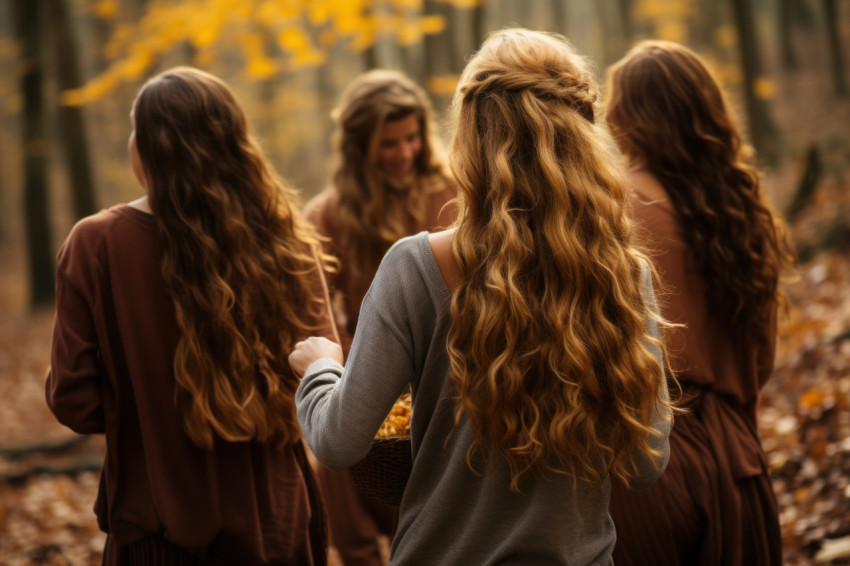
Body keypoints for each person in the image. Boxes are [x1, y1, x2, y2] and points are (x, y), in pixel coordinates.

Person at [289, 29, 674, 565]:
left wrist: (321, 369)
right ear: (581, 135)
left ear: (470, 136)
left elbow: (337, 442)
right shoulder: (622, 274)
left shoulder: (414, 265)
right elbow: (645, 464)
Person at [46, 67, 338, 565]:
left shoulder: (96, 245)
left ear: (149, 147)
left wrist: (147, 406)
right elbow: (324, 378)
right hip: (275, 522)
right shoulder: (286, 243)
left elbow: (74, 402)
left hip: (158, 524)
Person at [604, 40, 794, 566]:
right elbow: (761, 361)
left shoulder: (613, 207)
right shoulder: (741, 212)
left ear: (626, 119)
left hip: (645, 459)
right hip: (738, 462)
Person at [302, 69, 456, 566]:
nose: (405, 152)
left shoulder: (454, 192)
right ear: (359, 148)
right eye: (389, 143)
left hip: (447, 375)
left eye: (412, 137)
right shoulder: (328, 214)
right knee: (347, 504)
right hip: (365, 376)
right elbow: (315, 309)